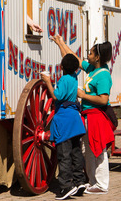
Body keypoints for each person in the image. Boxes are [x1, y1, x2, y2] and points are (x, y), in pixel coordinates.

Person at [51, 35, 114, 195]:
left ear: (97, 57)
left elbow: (104, 99)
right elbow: (74, 60)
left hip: (96, 115)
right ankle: (92, 182)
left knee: (98, 149)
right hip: (87, 115)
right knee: (89, 150)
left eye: (91, 53)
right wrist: (60, 43)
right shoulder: (93, 69)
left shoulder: (103, 75)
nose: (88, 56)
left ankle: (101, 184)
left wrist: (83, 95)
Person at [41, 53, 86, 200]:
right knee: (76, 152)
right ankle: (79, 181)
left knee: (64, 155)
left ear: (61, 67)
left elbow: (57, 96)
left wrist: (48, 81)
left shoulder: (64, 79)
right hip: (75, 119)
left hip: (64, 120)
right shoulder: (74, 78)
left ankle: (66, 186)